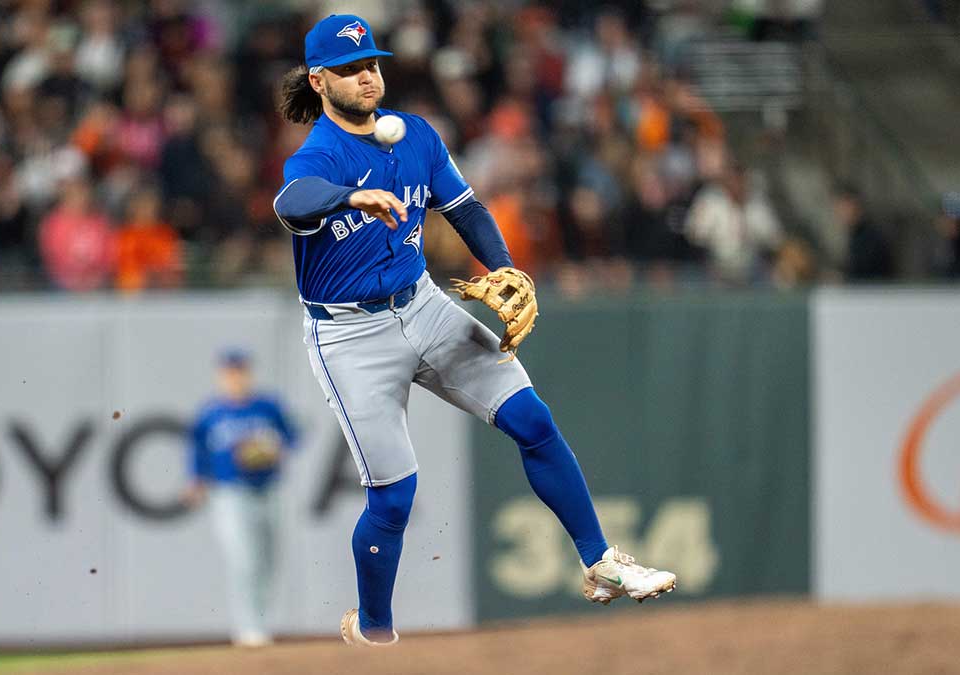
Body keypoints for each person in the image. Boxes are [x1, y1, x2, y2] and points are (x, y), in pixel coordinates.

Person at [273, 14, 676, 647]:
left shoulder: (418, 137)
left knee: (533, 420)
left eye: (372, 63)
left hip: (425, 304)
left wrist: (507, 267)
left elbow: (464, 208)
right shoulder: (318, 154)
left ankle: (599, 561)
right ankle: (373, 632)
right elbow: (291, 203)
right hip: (349, 335)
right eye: (350, 70)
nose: (367, 76)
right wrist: (352, 199)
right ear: (321, 82)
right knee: (395, 498)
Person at [183, 349, 298, 647]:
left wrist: (273, 447)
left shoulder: (267, 406)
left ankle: (260, 623)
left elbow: (292, 436)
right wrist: (196, 480)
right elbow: (197, 451)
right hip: (230, 493)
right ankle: (248, 628)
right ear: (221, 376)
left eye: (240, 371)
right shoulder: (211, 413)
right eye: (230, 372)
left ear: (248, 373)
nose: (235, 377)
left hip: (268, 489)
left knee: (269, 560)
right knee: (244, 560)